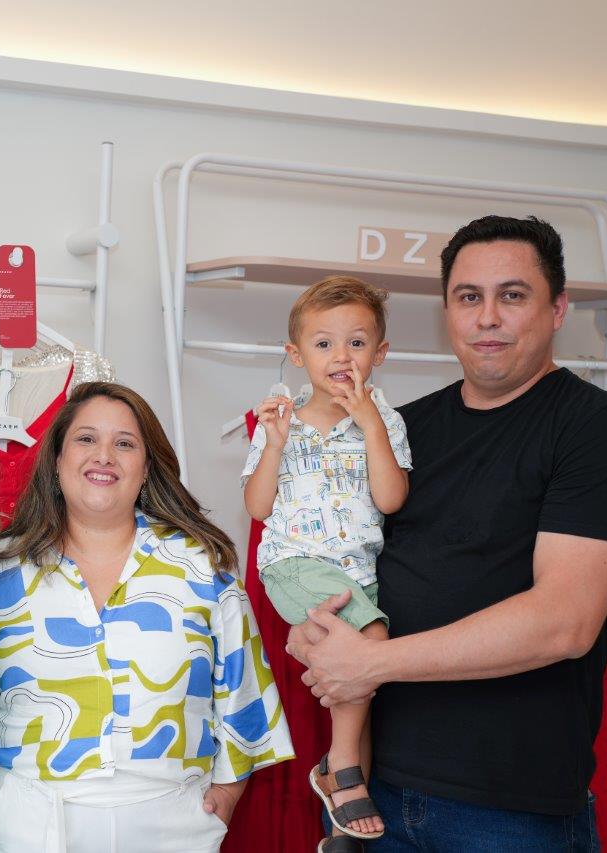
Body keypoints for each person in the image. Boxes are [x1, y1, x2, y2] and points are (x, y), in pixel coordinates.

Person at [287, 216, 607, 851]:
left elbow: (564, 622)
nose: (487, 317)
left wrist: (370, 663)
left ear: (557, 309)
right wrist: (314, 625)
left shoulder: (602, 431)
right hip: (374, 793)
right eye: (468, 297)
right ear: (447, 313)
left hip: (511, 812)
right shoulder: (398, 428)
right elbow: (342, 557)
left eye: (512, 295)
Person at [0, 382, 294, 853]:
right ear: (56, 459)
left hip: (172, 825)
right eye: (86, 439)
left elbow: (244, 688)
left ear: (146, 468)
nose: (104, 455)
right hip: (25, 823)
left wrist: (227, 794)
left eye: (124, 443)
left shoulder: (203, 565)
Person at [242, 276, 411, 848]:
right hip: (292, 564)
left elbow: (391, 498)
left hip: (357, 573)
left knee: (359, 685)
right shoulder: (281, 421)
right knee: (372, 642)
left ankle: (344, 821)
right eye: (324, 344)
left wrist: (371, 425)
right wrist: (273, 444)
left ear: (379, 354)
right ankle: (338, 769)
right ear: (296, 355)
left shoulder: (384, 420)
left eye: (356, 343)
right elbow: (257, 507)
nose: (341, 356)